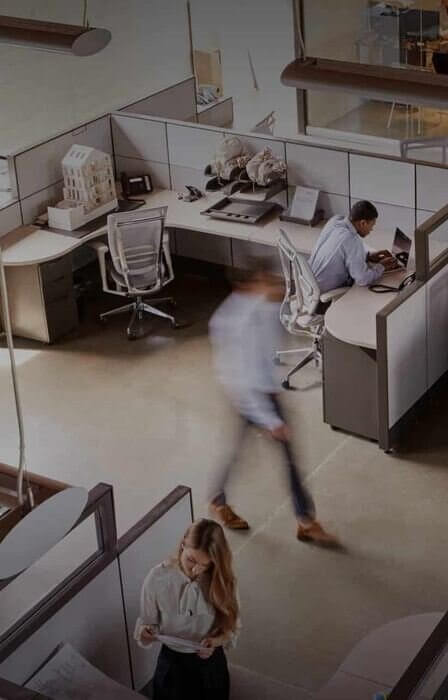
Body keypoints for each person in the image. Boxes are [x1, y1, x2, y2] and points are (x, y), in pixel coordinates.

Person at [208, 260, 337, 545]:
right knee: (286, 458)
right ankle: (305, 520)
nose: (277, 286)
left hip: (265, 391)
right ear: (246, 286)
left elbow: (269, 354)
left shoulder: (264, 306)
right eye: (266, 281)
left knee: (240, 450)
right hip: (250, 397)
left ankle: (218, 498)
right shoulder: (232, 323)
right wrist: (271, 420)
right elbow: (240, 378)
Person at [136, 519, 239, 700]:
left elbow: (231, 628)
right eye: (191, 560)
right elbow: (147, 622)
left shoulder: (222, 581)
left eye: (205, 564)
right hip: (171, 662)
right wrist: (146, 632)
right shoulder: (157, 578)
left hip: (209, 662)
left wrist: (215, 642)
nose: (196, 569)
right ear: (183, 544)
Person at [309, 200, 400, 295]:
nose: (371, 230)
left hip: (308, 283)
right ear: (363, 223)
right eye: (371, 226)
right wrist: (382, 266)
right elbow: (362, 279)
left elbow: (344, 253)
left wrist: (367, 256)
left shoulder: (335, 220)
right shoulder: (352, 239)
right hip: (320, 291)